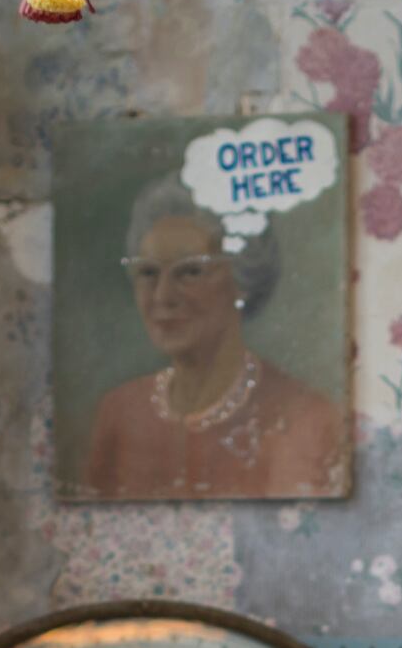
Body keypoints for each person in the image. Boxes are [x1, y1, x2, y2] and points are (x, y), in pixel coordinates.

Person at [79, 179, 349, 499]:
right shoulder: (119, 412)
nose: (163, 296)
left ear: (241, 280)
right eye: (149, 272)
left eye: (190, 271)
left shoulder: (308, 420)